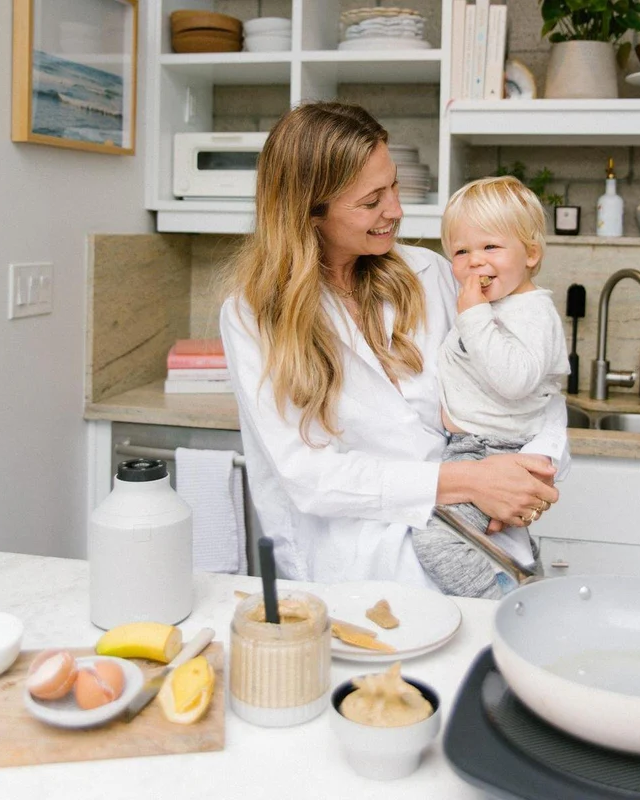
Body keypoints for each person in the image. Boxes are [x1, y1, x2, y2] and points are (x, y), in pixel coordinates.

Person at [219, 100, 567, 589]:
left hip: (481, 547)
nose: (396, 210)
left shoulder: (433, 275)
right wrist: (469, 481)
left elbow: (529, 382)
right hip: (356, 573)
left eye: (394, 185)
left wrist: (538, 469)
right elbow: (307, 475)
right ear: (309, 212)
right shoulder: (253, 313)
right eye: (370, 201)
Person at [411, 176, 570, 599]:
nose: (475, 261)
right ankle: (517, 579)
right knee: (486, 541)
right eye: (461, 251)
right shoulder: (496, 306)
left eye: (491, 247)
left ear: (531, 253)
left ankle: (496, 601)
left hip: (492, 450)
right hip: (469, 446)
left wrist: (475, 316)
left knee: (435, 541)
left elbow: (516, 381)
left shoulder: (531, 312)